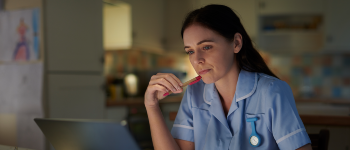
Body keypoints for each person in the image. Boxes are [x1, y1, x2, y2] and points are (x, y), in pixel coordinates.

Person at [144, 4, 312, 150]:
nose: (197, 60)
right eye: (190, 51)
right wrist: (151, 106)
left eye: (207, 47)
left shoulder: (272, 91)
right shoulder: (193, 94)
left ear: (236, 43)